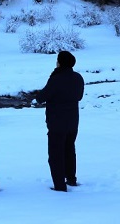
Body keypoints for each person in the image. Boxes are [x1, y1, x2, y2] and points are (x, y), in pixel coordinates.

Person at [35, 50, 85, 192]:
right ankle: (71, 179)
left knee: (56, 154)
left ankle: (60, 186)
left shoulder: (56, 79)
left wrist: (38, 97)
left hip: (57, 123)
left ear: (60, 62)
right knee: (69, 150)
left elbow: (42, 96)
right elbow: (79, 97)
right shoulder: (78, 78)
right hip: (73, 123)